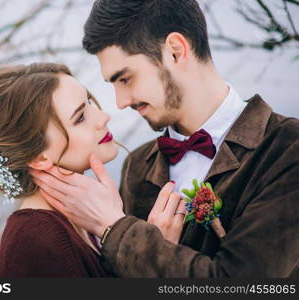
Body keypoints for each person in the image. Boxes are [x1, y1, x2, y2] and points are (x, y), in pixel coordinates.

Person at [31, 0, 299, 277]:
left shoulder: (288, 148)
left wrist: (114, 228)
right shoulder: (137, 165)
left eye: (125, 79)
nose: (120, 102)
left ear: (175, 51)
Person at [0, 63, 182, 277]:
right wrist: (153, 259)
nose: (103, 116)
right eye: (80, 118)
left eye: (89, 102)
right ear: (39, 157)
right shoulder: (33, 241)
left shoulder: (81, 217)